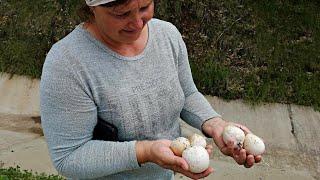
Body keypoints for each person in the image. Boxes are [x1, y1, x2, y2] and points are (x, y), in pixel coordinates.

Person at [40, 0, 262, 179]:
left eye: (145, 7)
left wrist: (215, 124)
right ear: (92, 7)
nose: (138, 23)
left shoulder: (167, 35)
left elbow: (186, 93)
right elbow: (69, 157)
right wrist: (146, 152)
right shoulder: (67, 63)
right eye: (122, 14)